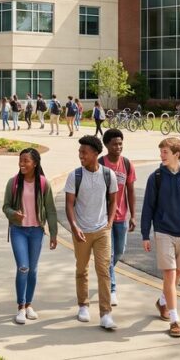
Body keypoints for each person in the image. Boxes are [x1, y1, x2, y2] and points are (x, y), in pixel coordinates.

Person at [141, 137, 180, 339]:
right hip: (163, 231)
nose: (161, 156)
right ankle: (175, 320)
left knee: (179, 275)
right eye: (161, 152)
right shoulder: (156, 177)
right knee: (170, 274)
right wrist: (145, 234)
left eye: (165, 152)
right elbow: (148, 207)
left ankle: (162, 301)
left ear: (176, 154)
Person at [64, 135, 119, 331]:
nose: (80, 155)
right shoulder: (75, 176)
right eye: (80, 152)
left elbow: (113, 200)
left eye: (84, 152)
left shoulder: (108, 175)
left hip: (102, 229)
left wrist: (110, 223)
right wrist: (74, 226)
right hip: (82, 231)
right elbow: (69, 205)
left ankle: (105, 314)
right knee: (82, 269)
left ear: (96, 153)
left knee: (104, 270)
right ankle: (83, 306)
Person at [2, 148, 58, 324]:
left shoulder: (43, 183)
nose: (22, 164)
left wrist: (53, 234)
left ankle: (28, 304)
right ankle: (20, 307)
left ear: (35, 163)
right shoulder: (13, 183)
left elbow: (50, 210)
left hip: (36, 231)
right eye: (20, 160)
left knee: (33, 269)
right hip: (18, 230)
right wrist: (13, 214)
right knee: (23, 267)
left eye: (26, 161)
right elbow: (5, 207)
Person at [99, 129, 135, 307]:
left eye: (120, 143)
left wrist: (133, 215)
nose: (118, 147)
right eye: (114, 144)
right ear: (106, 145)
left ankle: (104, 270)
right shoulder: (100, 164)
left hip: (121, 216)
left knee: (119, 251)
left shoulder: (127, 164)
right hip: (103, 218)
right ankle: (112, 289)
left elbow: (130, 190)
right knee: (110, 253)